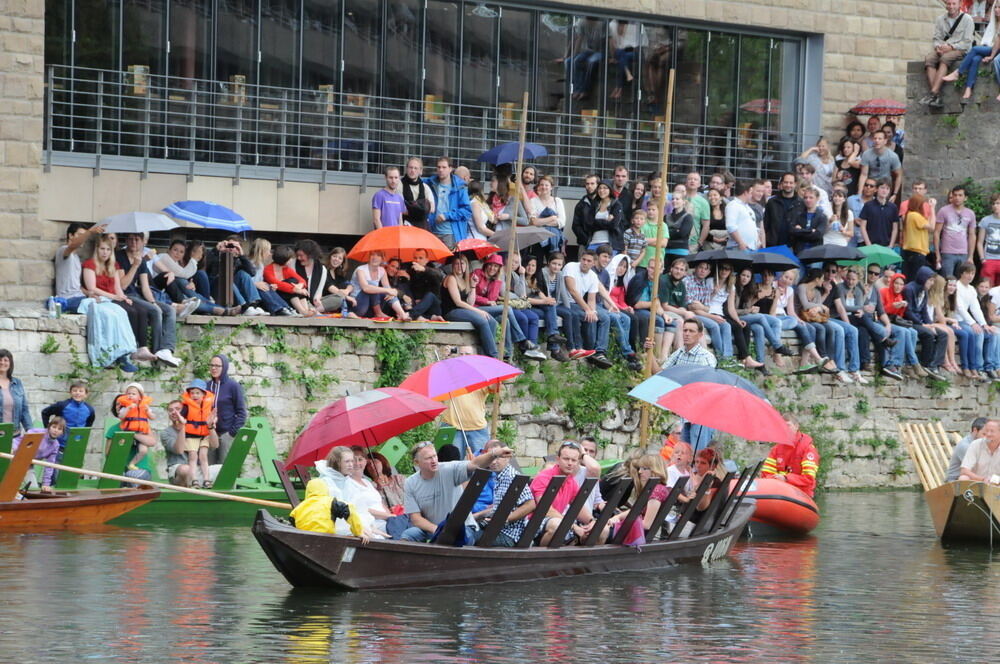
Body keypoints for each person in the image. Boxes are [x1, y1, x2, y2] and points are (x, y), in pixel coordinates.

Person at [399, 441, 514, 543]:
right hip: (432, 529)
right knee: (408, 535)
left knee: (457, 537)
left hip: (462, 528)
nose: (434, 460)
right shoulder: (410, 483)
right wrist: (438, 530)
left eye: (435, 456)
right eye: (428, 458)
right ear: (417, 462)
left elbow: (475, 464)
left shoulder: (449, 469)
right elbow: (415, 519)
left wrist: (494, 453)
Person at [82, 236, 157, 364]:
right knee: (131, 312)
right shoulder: (90, 264)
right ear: (96, 250)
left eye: (108, 250)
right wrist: (113, 297)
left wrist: (124, 297)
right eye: (102, 249)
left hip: (114, 296)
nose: (105, 252)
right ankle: (132, 348)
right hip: (103, 298)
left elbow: (117, 287)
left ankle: (142, 347)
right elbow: (92, 288)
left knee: (142, 310)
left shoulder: (113, 265)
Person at [116, 234, 184, 366]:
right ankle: (157, 350)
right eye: (130, 239)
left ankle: (166, 349)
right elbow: (122, 285)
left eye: (137, 239)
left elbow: (145, 287)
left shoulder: (140, 260)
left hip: (137, 295)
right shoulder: (120, 256)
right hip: (124, 295)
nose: (133, 242)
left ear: (143, 242)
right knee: (155, 311)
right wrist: (135, 266)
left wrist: (153, 301)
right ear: (126, 241)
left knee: (169, 309)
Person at [531, 441, 606, 546]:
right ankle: (541, 559)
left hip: (559, 522)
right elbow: (545, 509)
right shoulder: (543, 477)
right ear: (558, 459)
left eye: (574, 460)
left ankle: (586, 560)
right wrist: (574, 527)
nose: (570, 463)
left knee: (602, 529)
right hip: (533, 524)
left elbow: (578, 507)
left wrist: (591, 521)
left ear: (577, 462)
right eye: (566, 459)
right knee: (558, 525)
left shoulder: (571, 481)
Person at [472, 254, 545, 361]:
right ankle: (522, 340)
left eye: (496, 266)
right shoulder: (477, 273)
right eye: (491, 265)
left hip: (488, 308)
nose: (493, 268)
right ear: (486, 265)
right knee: (507, 309)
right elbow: (474, 296)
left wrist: (498, 280)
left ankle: (508, 356)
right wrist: (486, 301)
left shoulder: (496, 279)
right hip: (476, 307)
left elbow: (495, 297)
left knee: (505, 319)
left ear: (499, 268)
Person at [662, 319, 716, 451]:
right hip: (687, 413)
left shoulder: (706, 357)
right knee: (686, 455)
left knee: (698, 455)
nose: (687, 334)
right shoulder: (679, 353)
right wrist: (649, 352)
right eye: (685, 330)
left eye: (691, 331)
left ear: (700, 335)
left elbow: (705, 387)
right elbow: (661, 373)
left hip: (703, 413)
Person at [478, 439, 536, 547]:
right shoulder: (499, 476)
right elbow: (497, 508)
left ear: (508, 457)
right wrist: (474, 517)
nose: (494, 462)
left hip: (509, 535)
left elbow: (530, 504)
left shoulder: (511, 476)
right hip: (497, 531)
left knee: (469, 536)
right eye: (492, 458)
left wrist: (504, 519)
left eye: (498, 457)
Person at [442, 253, 499, 358]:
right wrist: (478, 311)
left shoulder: (465, 280)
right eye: (457, 264)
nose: (460, 266)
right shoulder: (451, 278)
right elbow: (458, 302)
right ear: (453, 266)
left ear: (466, 265)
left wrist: (473, 286)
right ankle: (493, 356)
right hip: (451, 311)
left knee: (492, 321)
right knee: (483, 320)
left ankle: (484, 355)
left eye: (462, 264)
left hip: (462, 311)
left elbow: (470, 303)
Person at [920, 0, 975, 108]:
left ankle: (933, 93)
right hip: (943, 48)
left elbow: (967, 42)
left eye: (953, 4)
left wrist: (951, 47)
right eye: (949, 4)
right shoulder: (940, 19)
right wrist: (938, 47)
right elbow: (936, 38)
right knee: (929, 58)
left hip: (960, 49)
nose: (951, 6)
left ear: (959, 4)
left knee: (945, 58)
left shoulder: (967, 19)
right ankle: (936, 95)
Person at [941, 2, 1000, 103]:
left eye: (999, 8)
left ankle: (958, 72)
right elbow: (991, 38)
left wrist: (991, 56)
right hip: (993, 47)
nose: (996, 10)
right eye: (996, 7)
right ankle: (969, 88)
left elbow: (998, 41)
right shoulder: (996, 22)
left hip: (997, 50)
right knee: (975, 58)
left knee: (975, 49)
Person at [903, 267, 949, 378]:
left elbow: (924, 312)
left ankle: (934, 365)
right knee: (928, 334)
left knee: (943, 334)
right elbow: (908, 311)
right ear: (923, 279)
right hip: (909, 321)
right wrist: (923, 324)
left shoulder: (925, 292)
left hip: (920, 322)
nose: (932, 283)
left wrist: (931, 324)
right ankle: (925, 363)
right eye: (930, 280)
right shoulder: (909, 289)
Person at [760, 415, 820, 498]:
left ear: (796, 426)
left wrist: (786, 478)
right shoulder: (776, 449)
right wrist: (775, 479)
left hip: (801, 494)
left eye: (788, 425)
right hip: (780, 492)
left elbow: (808, 478)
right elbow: (766, 474)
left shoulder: (808, 449)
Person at [289, 478, 365, 539]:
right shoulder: (330, 502)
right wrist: (358, 532)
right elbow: (349, 510)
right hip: (326, 539)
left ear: (307, 491)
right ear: (326, 489)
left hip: (304, 539)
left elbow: (292, 519)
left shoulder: (299, 507)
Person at [54, 222, 105, 313]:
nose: (84, 238)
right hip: (67, 300)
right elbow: (73, 246)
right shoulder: (63, 251)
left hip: (79, 297)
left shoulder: (77, 258)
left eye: (84, 236)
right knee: (97, 308)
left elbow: (77, 286)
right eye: (80, 235)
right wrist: (89, 232)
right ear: (70, 235)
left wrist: (88, 293)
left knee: (105, 303)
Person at [206, 353, 246, 464]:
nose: (214, 368)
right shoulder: (206, 386)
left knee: (224, 468)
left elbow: (241, 412)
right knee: (209, 468)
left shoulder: (233, 386)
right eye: (211, 365)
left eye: (217, 366)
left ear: (225, 367)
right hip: (209, 433)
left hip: (226, 434)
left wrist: (231, 433)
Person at [423, 156, 472, 247]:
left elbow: (467, 211)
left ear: (450, 169)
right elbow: (414, 181)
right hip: (432, 231)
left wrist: (446, 215)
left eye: (444, 167)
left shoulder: (460, 187)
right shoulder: (429, 183)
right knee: (434, 261)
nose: (441, 170)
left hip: (451, 233)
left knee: (449, 261)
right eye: (439, 167)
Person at [180, 378, 217, 489]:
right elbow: (181, 417)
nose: (194, 395)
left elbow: (213, 417)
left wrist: (214, 421)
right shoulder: (186, 407)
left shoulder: (209, 405)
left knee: (203, 457)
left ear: (204, 394)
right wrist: (180, 420)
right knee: (193, 457)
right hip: (191, 435)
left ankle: (207, 479)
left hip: (204, 434)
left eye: (197, 393)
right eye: (192, 393)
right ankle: (194, 480)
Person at [350, 249, 408, 320]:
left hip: (370, 310)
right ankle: (378, 313)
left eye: (378, 255)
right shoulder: (361, 269)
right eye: (372, 255)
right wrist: (387, 290)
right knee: (373, 286)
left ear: (382, 259)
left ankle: (402, 314)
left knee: (389, 293)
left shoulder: (382, 270)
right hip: (357, 307)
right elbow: (366, 288)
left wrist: (391, 292)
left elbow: (388, 289)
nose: (374, 257)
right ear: (369, 257)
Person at [10, 418, 65, 493]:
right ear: (49, 427)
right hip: (14, 457)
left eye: (59, 429)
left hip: (28, 464)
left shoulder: (55, 445)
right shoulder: (36, 432)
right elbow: (18, 440)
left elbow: (49, 465)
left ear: (62, 432)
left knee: (34, 490)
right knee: (10, 485)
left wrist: (46, 484)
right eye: (54, 427)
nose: (56, 430)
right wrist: (14, 449)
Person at [247, 237, 297, 316]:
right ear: (262, 251)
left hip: (257, 289)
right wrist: (255, 284)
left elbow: (260, 281)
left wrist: (269, 285)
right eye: (268, 251)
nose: (270, 253)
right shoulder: (248, 264)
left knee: (267, 286)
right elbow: (244, 281)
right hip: (250, 292)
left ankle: (285, 307)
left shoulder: (260, 265)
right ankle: (278, 309)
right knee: (262, 288)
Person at [113, 382, 156, 471]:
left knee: (143, 451)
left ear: (140, 396)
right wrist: (128, 408)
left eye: (133, 394)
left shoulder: (145, 406)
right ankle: (119, 467)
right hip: (128, 431)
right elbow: (121, 416)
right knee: (122, 449)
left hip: (141, 433)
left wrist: (148, 411)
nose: (130, 396)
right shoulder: (125, 406)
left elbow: (153, 417)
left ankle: (132, 464)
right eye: (128, 394)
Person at [264, 244, 316, 317]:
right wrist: (294, 289)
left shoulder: (287, 269)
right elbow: (277, 284)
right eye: (290, 258)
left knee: (294, 281)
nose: (292, 260)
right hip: (277, 297)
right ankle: (302, 311)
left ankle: (305, 310)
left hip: (289, 296)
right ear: (283, 259)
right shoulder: (268, 269)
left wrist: (299, 286)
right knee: (290, 282)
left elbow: (302, 280)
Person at [858, 131, 903, 201]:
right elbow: (864, 174)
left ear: (885, 141)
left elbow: (899, 175)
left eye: (880, 139)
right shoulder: (867, 154)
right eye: (875, 138)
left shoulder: (892, 156)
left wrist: (895, 194)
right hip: (870, 184)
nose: (877, 141)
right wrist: (860, 192)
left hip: (885, 184)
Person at [529, 175, 567, 254]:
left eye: (546, 185)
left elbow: (562, 222)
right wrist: (552, 218)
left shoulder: (558, 201)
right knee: (537, 262)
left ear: (551, 187)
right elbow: (534, 222)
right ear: (538, 186)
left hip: (554, 237)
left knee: (553, 262)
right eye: (541, 185)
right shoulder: (533, 201)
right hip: (537, 238)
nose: (544, 187)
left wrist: (541, 222)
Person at [900, 193, 934, 280]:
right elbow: (932, 226)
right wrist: (932, 208)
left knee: (909, 278)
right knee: (916, 279)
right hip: (916, 252)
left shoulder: (909, 215)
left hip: (910, 252)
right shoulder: (915, 215)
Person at [858, 179, 900, 248]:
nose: (884, 191)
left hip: (886, 245)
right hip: (870, 244)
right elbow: (862, 226)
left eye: (887, 188)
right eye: (882, 188)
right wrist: (869, 244)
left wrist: (891, 245)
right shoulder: (868, 205)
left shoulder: (893, 207)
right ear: (876, 189)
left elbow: (895, 228)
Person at [293, 239, 331, 313]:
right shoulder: (293, 264)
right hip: (298, 298)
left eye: (301, 256)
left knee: (338, 299)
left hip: (313, 301)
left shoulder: (322, 269)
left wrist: (317, 299)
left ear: (310, 255)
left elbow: (319, 291)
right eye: (297, 256)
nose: (298, 258)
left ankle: (313, 310)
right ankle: (309, 310)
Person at [789, 185, 829, 254]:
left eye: (811, 197)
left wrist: (801, 230)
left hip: (815, 254)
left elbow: (818, 235)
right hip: (799, 252)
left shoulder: (822, 216)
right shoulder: (799, 215)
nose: (808, 200)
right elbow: (793, 231)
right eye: (805, 197)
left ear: (817, 198)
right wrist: (811, 231)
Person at [947, 417, 988, 482]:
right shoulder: (965, 446)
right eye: (984, 434)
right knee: (964, 477)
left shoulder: (980, 444)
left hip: (972, 481)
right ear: (975, 430)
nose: (986, 437)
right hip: (954, 482)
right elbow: (976, 471)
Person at [400, 157, 435, 230]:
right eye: (410, 167)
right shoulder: (399, 186)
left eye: (415, 168)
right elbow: (397, 208)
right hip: (404, 226)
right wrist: (420, 209)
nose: (412, 170)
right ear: (406, 169)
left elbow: (431, 208)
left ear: (420, 171)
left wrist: (411, 209)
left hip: (422, 228)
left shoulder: (425, 187)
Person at [724, 180, 760, 251]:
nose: (752, 195)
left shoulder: (748, 208)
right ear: (746, 192)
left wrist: (758, 241)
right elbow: (731, 226)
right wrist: (740, 243)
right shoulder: (733, 205)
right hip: (738, 248)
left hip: (750, 248)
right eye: (751, 192)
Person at [977, 193, 1000, 286]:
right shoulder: (985, 220)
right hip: (989, 259)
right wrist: (983, 259)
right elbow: (979, 242)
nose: (995, 206)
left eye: (998, 203)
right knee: (986, 288)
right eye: (993, 203)